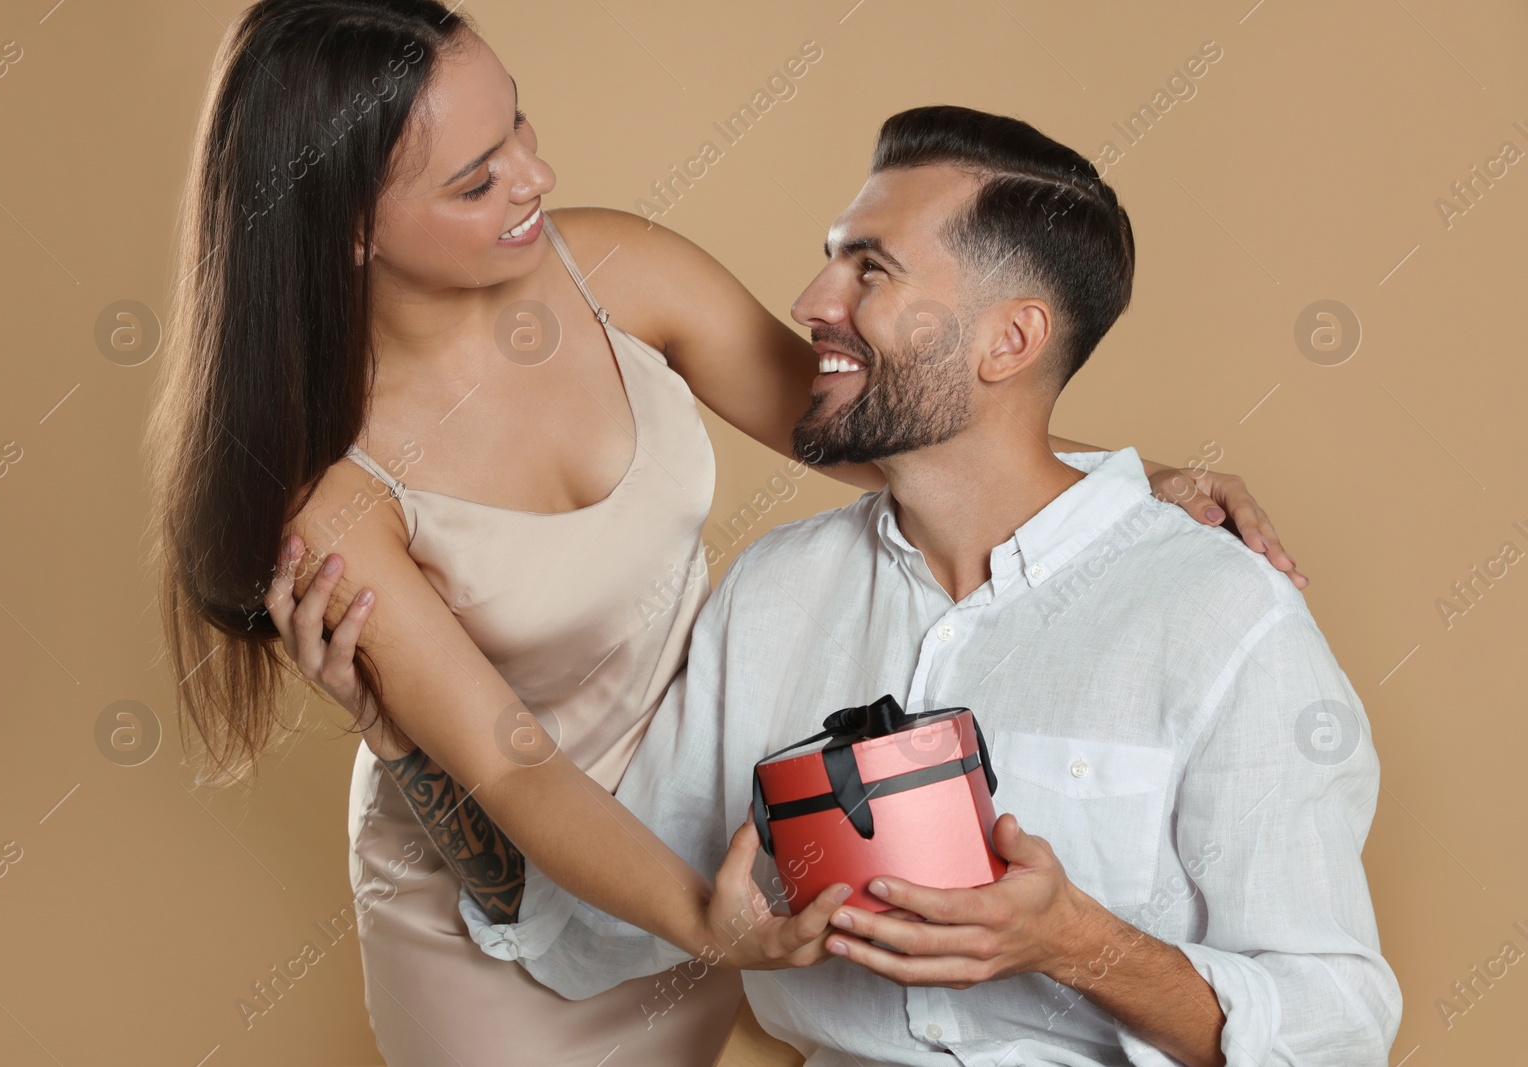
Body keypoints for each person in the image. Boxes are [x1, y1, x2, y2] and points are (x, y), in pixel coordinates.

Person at [148, 1, 1305, 1063]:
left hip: (707, 810)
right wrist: (700, 914)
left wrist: (1116, 481)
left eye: (519, 128)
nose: (534, 178)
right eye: (474, 180)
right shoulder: (336, 497)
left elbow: (859, 419)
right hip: (519, 884)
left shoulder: (608, 267)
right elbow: (514, 760)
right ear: (347, 229)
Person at [452, 107, 1404, 1066]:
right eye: (832, 259)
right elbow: (601, 926)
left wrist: (1080, 945)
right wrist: (408, 722)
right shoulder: (775, 592)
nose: (812, 299)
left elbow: (1338, 1028)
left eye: (871, 268)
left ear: (1009, 341)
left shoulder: (1220, 609)